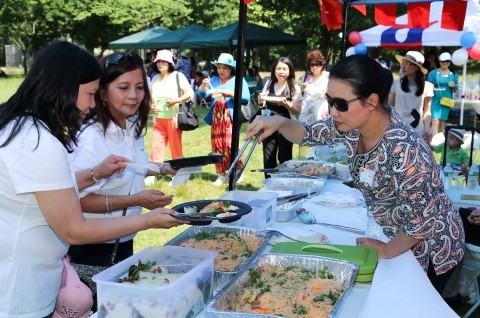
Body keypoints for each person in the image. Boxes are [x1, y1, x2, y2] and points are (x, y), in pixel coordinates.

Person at [246, 54, 464, 294]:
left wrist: (388, 249)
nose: (332, 111)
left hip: (431, 247)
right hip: (397, 229)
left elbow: (422, 220)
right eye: (330, 100)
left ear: (371, 101)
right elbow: (308, 134)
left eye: (340, 103)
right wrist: (279, 122)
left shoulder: (406, 151)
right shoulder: (354, 124)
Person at [0, 41, 188, 317]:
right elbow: (73, 229)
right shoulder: (38, 140)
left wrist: (95, 174)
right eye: (89, 94)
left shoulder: (20, 126)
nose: (91, 103)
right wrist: (149, 220)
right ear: (63, 88)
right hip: (20, 289)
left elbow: (44, 189)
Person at [68, 52, 179, 298]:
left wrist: (162, 168)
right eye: (123, 87)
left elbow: (132, 164)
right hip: (90, 251)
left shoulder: (131, 126)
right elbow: (76, 200)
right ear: (103, 93)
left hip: (124, 244)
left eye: (139, 87)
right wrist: (136, 200)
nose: (133, 95)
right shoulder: (90, 138)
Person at [197, 53, 250, 186]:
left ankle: (238, 170)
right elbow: (201, 94)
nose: (221, 70)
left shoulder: (238, 80)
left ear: (231, 69)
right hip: (217, 117)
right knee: (217, 145)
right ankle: (221, 175)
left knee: (230, 144)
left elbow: (246, 98)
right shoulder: (213, 79)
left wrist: (229, 94)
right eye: (219, 67)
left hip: (230, 116)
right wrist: (203, 85)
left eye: (225, 67)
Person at [258, 57, 302, 178]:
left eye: (284, 68)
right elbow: (262, 104)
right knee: (268, 157)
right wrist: (260, 99)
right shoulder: (269, 84)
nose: (281, 71)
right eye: (278, 68)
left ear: (289, 71)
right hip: (268, 126)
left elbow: (297, 112)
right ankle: (268, 184)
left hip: (286, 127)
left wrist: (286, 104)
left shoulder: (294, 88)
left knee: (285, 157)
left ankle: (286, 183)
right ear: (274, 70)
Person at [150, 49, 193, 164]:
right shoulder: (155, 79)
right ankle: (154, 172)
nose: (160, 64)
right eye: (158, 61)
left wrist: (176, 100)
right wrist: (151, 107)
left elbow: (189, 93)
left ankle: (179, 173)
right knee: (156, 147)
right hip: (158, 119)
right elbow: (150, 99)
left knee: (176, 148)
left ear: (170, 63)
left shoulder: (178, 76)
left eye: (163, 61)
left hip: (173, 119)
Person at [389, 51, 434, 141]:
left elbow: (427, 112)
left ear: (416, 67)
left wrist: (427, 127)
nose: (403, 66)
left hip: (417, 130)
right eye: (402, 63)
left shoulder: (427, 86)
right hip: (397, 128)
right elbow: (389, 107)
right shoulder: (395, 83)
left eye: (407, 63)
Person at [427, 52, 459, 137]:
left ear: (450, 62)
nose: (445, 63)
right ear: (439, 62)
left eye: (447, 61)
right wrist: (431, 88)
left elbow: (457, 86)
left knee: (442, 122)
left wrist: (454, 85)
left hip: (446, 99)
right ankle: (433, 142)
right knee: (435, 121)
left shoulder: (453, 73)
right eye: (443, 61)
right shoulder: (433, 73)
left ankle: (440, 141)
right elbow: (428, 85)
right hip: (436, 99)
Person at [299, 50, 329, 123]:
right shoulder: (306, 76)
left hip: (321, 111)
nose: (314, 67)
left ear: (322, 65)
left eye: (317, 65)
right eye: (312, 65)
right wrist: (302, 88)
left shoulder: (328, 76)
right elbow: (299, 93)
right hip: (306, 111)